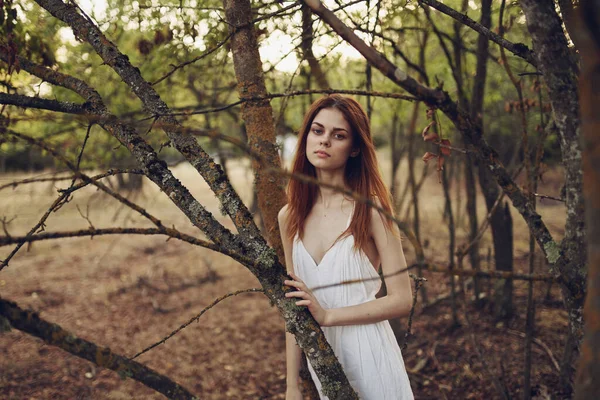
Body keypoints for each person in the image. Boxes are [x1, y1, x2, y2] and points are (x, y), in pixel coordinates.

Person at [278, 95, 415, 400]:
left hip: (372, 358)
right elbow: (293, 306)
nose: (324, 141)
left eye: (338, 135)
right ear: (306, 138)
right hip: (326, 365)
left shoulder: (372, 210)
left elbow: (402, 300)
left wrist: (328, 316)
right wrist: (291, 386)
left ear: (354, 148)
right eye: (318, 131)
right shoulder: (289, 217)